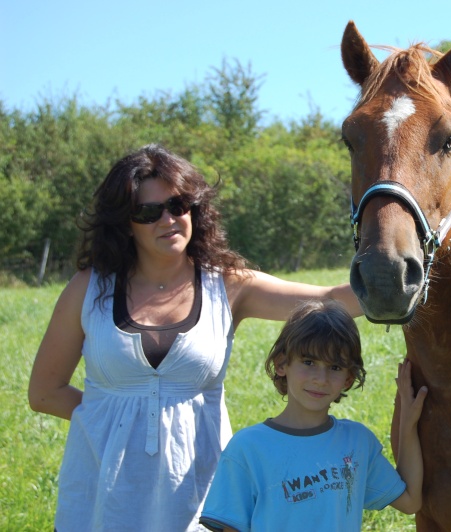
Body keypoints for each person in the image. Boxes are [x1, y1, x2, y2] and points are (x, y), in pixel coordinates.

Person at [27, 144, 362, 532]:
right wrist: (115, 419)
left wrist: (407, 274)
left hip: (204, 496)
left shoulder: (228, 284)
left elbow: (328, 300)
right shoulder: (88, 289)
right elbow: (44, 392)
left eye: (178, 205)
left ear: (195, 210)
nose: (167, 219)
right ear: (124, 222)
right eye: (147, 212)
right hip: (102, 498)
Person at [199, 299, 427, 531]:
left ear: (349, 378)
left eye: (335, 367)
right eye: (308, 362)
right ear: (281, 364)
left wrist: (408, 424)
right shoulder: (247, 448)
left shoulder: (358, 442)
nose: (321, 378)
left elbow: (409, 501)